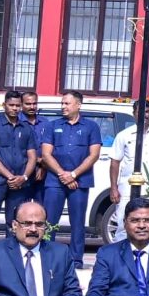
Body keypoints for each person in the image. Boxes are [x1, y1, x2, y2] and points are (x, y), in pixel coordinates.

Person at [38, 93, 104, 259]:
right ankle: (48, 256)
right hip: (55, 181)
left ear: (78, 105)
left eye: (67, 103)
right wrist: (63, 174)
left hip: (80, 181)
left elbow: (94, 155)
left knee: (78, 223)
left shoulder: (91, 126)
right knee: (50, 221)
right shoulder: (53, 126)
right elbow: (46, 154)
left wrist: (73, 174)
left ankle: (76, 259)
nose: (63, 107)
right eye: (62, 103)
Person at [0, 92, 37, 247]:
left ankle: (11, 255)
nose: (15, 109)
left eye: (18, 105)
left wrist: (23, 177)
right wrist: (10, 176)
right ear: (4, 106)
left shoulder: (27, 128)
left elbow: (32, 157)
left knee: (15, 223)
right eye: (12, 105)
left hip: (20, 184)